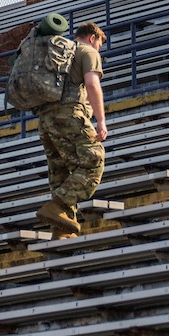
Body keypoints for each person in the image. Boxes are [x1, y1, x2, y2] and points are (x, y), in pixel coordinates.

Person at [34, 22, 108, 239]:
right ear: (93, 38)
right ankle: (56, 206)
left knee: (61, 170)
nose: (98, 50)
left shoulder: (55, 55)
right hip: (69, 114)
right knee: (94, 160)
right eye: (99, 45)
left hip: (45, 119)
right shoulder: (87, 51)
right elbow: (92, 84)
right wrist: (101, 121)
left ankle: (62, 228)